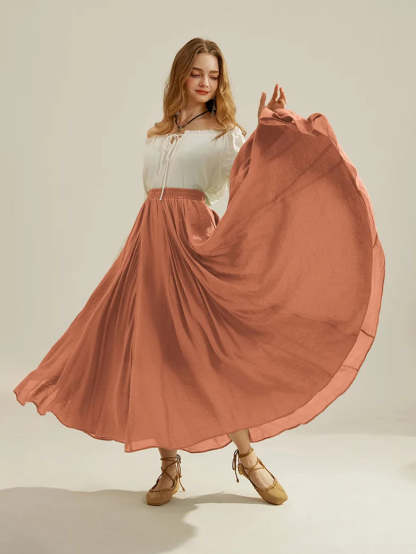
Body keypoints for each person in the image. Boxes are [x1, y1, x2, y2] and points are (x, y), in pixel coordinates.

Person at [13, 37, 385, 508]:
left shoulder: (225, 134)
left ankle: (248, 459)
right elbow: (154, 191)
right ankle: (169, 467)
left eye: (213, 74)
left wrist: (271, 131)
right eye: (196, 73)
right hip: (149, 244)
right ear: (180, 75)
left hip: (193, 244)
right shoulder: (157, 132)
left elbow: (251, 182)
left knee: (214, 356)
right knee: (154, 352)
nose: (205, 82)